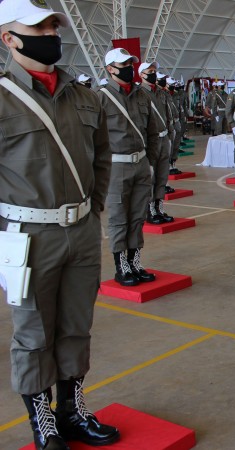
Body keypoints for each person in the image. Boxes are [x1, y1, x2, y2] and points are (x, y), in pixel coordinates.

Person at [0, 1, 120, 447]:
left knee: (75, 324)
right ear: (8, 38)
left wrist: (93, 209)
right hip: (27, 236)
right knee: (33, 331)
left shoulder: (86, 96)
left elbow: (102, 159)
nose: (51, 33)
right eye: (38, 27)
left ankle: (72, 409)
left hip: (82, 230)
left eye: (53, 25)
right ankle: (42, 419)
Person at [98, 48, 160, 287]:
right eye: (123, 64)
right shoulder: (100, 97)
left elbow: (151, 132)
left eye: (130, 63)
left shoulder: (141, 95)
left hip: (141, 164)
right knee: (118, 218)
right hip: (116, 166)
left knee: (136, 216)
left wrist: (150, 162)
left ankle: (135, 261)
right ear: (110, 69)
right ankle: (121, 265)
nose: (129, 67)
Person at [138, 62, 174, 226]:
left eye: (154, 71)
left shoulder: (161, 93)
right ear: (141, 74)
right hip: (151, 141)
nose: (153, 74)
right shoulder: (138, 94)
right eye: (149, 71)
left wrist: (170, 134)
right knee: (150, 177)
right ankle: (149, 209)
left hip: (164, 138)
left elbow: (167, 115)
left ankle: (159, 207)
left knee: (162, 175)